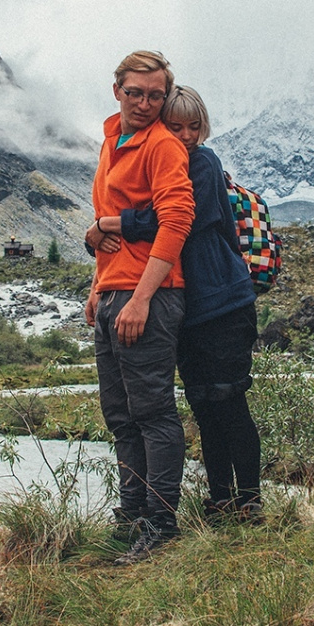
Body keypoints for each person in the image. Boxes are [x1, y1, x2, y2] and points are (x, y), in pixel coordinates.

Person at [89, 87, 262, 520]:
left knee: (230, 401)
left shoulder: (202, 163)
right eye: (175, 126)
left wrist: (110, 223)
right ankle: (221, 497)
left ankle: (251, 499)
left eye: (193, 127)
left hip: (222, 304)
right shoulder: (169, 164)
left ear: (204, 127)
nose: (185, 135)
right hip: (194, 307)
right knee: (204, 405)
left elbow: (177, 220)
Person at [84, 50, 195, 562]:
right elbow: (107, 223)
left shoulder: (163, 146)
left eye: (156, 95)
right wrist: (97, 290)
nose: (146, 103)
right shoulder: (113, 139)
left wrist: (142, 299)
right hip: (114, 294)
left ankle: (161, 525)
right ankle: (130, 517)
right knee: (120, 416)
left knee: (152, 413)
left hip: (147, 296)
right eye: (136, 93)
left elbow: (176, 222)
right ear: (117, 91)